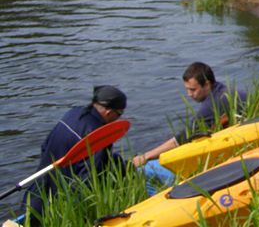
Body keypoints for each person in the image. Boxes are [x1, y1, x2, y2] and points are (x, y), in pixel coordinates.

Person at [23, 86, 128, 224]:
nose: (117, 118)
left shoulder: (73, 113)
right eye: (119, 114)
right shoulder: (98, 135)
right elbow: (89, 178)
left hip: (36, 193)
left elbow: (45, 146)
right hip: (62, 200)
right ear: (109, 112)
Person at [131, 63, 246, 172]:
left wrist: (146, 156)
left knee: (148, 168)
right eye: (187, 89)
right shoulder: (225, 90)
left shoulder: (210, 106)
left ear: (206, 84)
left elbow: (181, 139)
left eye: (192, 89)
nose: (189, 94)